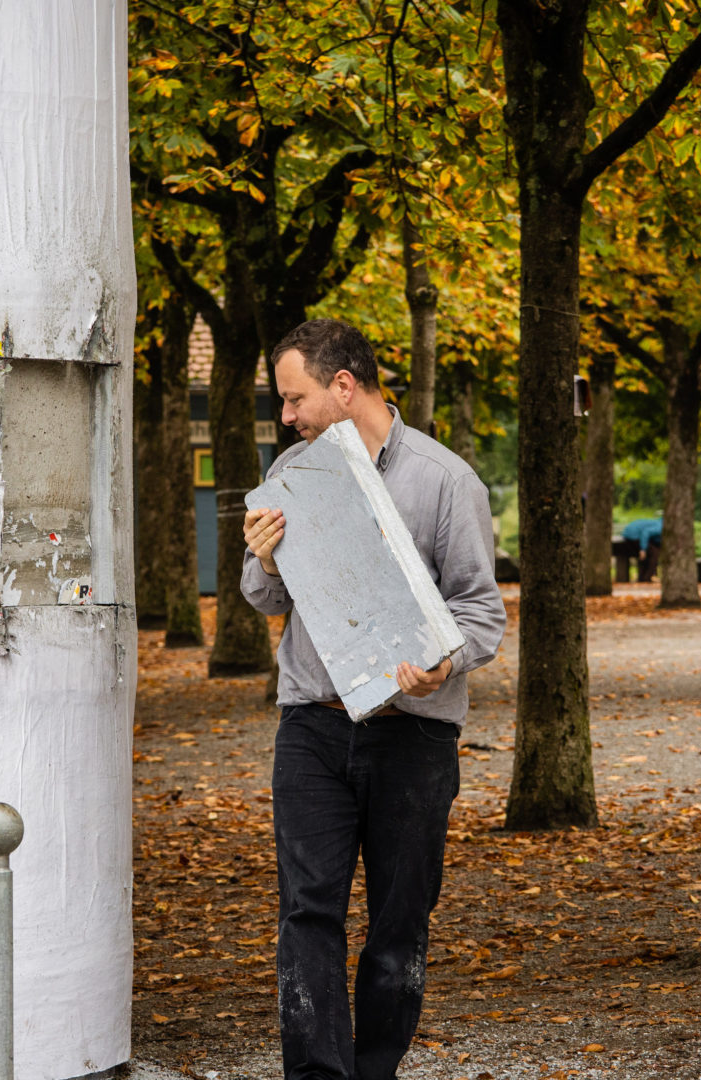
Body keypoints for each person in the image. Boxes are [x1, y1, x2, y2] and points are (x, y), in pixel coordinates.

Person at [241, 318, 508, 1080]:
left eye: (295, 399)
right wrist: (262, 560)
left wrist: (439, 664)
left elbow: (480, 615)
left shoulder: (443, 480)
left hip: (412, 736)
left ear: (344, 387)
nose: (287, 416)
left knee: (399, 921)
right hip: (311, 731)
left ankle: (373, 1070)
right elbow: (263, 599)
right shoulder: (292, 475)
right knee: (307, 912)